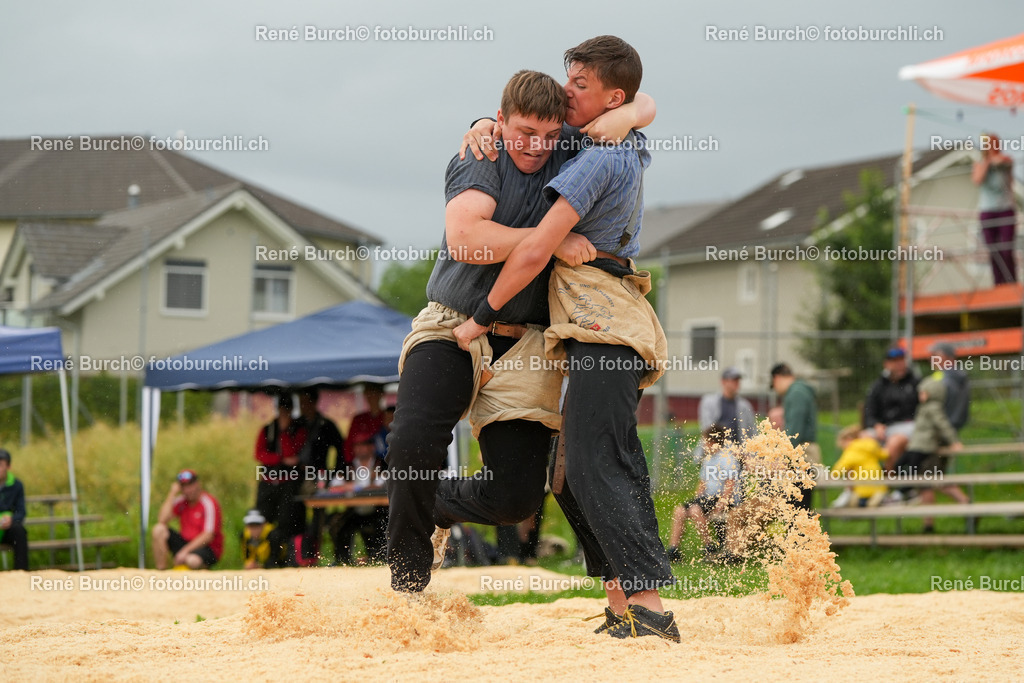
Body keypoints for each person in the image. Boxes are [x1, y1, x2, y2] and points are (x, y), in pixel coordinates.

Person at [386, 65, 654, 595]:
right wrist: (549, 238)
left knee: (515, 499)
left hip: (527, 342)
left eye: (549, 135)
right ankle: (408, 589)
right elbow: (466, 239)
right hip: (453, 322)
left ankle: (431, 505)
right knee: (411, 447)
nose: (536, 146)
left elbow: (644, 103)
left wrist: (626, 113)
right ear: (501, 121)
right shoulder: (480, 155)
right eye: (523, 133)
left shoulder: (569, 147)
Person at [452, 36, 679, 642]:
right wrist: (483, 121)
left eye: (579, 84)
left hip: (605, 323)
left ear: (611, 96)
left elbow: (529, 250)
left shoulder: (597, 157)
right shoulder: (609, 138)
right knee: (572, 472)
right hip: (598, 323)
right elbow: (642, 105)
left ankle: (650, 606)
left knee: (602, 461)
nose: (566, 91)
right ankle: (621, 603)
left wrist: (479, 317)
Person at [892, 376, 967, 530]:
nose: (920, 395)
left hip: (925, 450)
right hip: (918, 447)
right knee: (926, 482)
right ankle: (927, 522)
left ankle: (904, 493)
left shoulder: (933, 408)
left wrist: (954, 441)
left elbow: (943, 425)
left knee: (931, 482)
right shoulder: (925, 407)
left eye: (923, 392)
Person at [666, 425, 743, 562]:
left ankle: (709, 546)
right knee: (680, 510)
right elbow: (702, 484)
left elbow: (730, 486)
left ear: (714, 442)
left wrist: (720, 505)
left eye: (706, 442)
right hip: (707, 498)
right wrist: (696, 498)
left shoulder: (727, 459)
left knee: (695, 510)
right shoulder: (708, 459)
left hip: (722, 499)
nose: (704, 445)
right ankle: (674, 549)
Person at [328, 425, 387, 565]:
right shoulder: (347, 467)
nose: (361, 449)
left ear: (372, 447)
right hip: (354, 510)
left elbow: (379, 486)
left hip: (377, 510)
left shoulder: (382, 464)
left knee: (384, 526)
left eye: (364, 445)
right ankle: (343, 561)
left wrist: (354, 487)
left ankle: (381, 559)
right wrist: (350, 487)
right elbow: (333, 487)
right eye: (358, 445)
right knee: (338, 525)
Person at [254, 394, 307, 538]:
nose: (285, 413)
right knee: (262, 519)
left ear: (292, 410)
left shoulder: (298, 430)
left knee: (286, 521)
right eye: (282, 409)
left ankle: (285, 554)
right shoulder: (267, 429)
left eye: (287, 409)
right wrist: (280, 459)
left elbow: (293, 454)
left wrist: (284, 432)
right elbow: (259, 454)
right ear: (278, 409)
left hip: (289, 482)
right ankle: (263, 553)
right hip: (268, 482)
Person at [769, 363, 819, 510]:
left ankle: (798, 533)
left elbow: (795, 431)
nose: (777, 391)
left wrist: (783, 458)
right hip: (802, 454)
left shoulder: (796, 393)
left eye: (773, 385)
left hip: (802, 456)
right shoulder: (799, 391)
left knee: (797, 509)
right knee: (799, 508)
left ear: (777, 378)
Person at [152, 469, 224, 570]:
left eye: (190, 485)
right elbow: (162, 519)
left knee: (192, 561)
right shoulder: (182, 501)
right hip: (186, 543)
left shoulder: (208, 503)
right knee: (158, 529)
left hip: (206, 547)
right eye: (183, 486)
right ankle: (161, 572)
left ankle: (203, 572)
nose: (187, 490)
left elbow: (208, 535)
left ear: (198, 484)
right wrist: (172, 493)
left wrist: (185, 551)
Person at [863, 347, 920, 470]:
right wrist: (876, 425)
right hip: (884, 428)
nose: (899, 364)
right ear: (886, 364)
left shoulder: (916, 383)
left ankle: (887, 482)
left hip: (909, 427)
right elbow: (868, 413)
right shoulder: (878, 386)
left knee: (893, 443)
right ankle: (861, 484)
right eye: (895, 361)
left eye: (901, 360)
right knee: (863, 440)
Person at [972, 132, 1017, 285]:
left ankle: (1011, 282)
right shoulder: (979, 164)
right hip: (987, 211)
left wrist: (993, 159)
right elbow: (978, 179)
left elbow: (1007, 161)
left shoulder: (1005, 161)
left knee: (1006, 249)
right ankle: (998, 284)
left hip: (1006, 209)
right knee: (994, 251)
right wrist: (987, 161)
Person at [693, 366, 756, 462]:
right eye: (733, 380)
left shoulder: (745, 406)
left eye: (738, 380)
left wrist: (750, 455)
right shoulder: (709, 402)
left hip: (738, 458)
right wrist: (729, 450)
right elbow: (708, 430)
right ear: (723, 381)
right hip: (713, 455)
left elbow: (751, 433)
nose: (736, 383)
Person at [830, 425, 888, 508]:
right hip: (878, 486)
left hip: (861, 488)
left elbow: (841, 466)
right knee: (873, 503)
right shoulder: (871, 444)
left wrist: (833, 475)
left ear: (848, 440)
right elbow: (884, 455)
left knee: (854, 504)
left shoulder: (851, 450)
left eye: (843, 446)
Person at [0, 449, 29, 570]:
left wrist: (11, 519)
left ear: (8, 466)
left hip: (7, 529)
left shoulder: (17, 485)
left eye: (0, 465)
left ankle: (21, 572)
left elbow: (21, 512)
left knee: (19, 531)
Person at [345, 383, 386, 465]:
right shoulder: (359, 419)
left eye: (375, 393)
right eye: (369, 394)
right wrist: (349, 464)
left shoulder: (387, 417)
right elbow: (349, 444)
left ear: (381, 395)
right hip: (363, 465)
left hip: (386, 464)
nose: (372, 397)